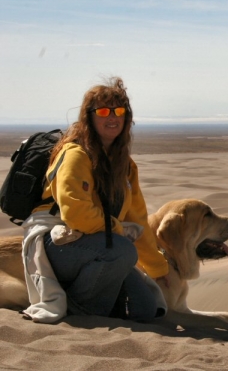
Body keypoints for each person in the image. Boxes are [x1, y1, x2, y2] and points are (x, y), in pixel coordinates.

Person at [21, 77, 169, 323]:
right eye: (102, 110)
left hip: (96, 245)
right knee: (122, 251)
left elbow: (138, 220)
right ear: (89, 116)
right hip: (56, 242)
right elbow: (76, 215)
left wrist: (157, 268)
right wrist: (119, 230)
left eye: (118, 110)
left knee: (145, 309)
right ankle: (82, 312)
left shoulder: (125, 166)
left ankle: (91, 295)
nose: (112, 117)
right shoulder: (75, 155)